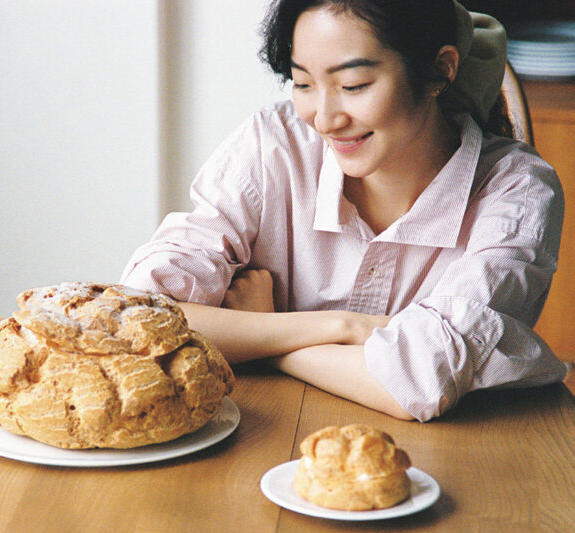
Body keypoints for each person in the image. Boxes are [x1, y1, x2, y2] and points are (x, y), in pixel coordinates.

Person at [120, 0, 566, 421]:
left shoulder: (517, 189)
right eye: (303, 84)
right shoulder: (273, 146)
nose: (325, 118)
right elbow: (143, 315)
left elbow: (417, 383)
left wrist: (265, 331)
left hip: (466, 458)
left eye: (353, 85)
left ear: (439, 69)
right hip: (262, 441)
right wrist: (347, 327)